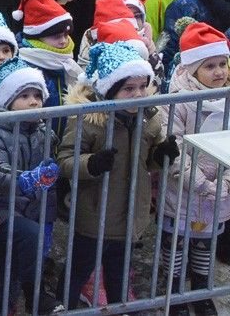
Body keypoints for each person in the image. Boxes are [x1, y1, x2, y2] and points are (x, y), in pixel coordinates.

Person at [58, 41, 169, 309]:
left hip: (131, 215)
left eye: (143, 86)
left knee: (119, 275)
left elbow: (148, 161)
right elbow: (65, 159)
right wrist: (92, 164)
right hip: (94, 216)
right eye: (128, 89)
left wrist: (162, 155)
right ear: (109, 89)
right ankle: (66, 306)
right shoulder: (88, 119)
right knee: (78, 269)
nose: (138, 94)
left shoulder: (149, 117)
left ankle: (120, 309)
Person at [0, 59, 59, 316]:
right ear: (6, 100)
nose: (34, 101)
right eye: (24, 95)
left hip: (33, 207)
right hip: (1, 207)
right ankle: (30, 295)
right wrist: (26, 179)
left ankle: (10, 304)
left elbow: (50, 172)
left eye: (37, 95)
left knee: (12, 264)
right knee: (27, 241)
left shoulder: (43, 130)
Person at [161, 21, 230, 315]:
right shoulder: (177, 101)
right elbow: (172, 148)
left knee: (205, 243)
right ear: (192, 70)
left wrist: (226, 182)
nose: (219, 72)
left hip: (221, 190)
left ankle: (201, 290)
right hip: (184, 190)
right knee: (175, 243)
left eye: (223, 64)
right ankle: (173, 293)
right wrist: (202, 183)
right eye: (210, 66)